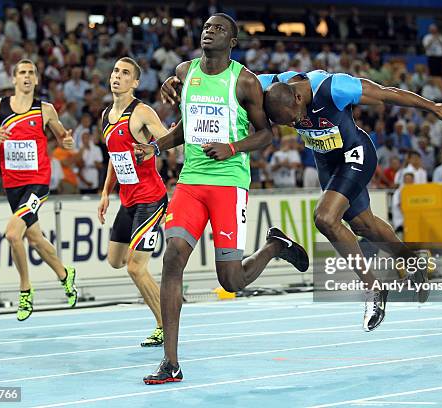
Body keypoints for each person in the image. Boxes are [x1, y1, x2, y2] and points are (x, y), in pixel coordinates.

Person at [134, 14, 309, 384]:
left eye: (219, 29)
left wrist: (231, 147)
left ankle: (273, 247)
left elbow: (266, 136)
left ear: (232, 42)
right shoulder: (185, 71)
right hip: (191, 181)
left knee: (230, 280)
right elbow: (186, 127)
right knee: (173, 257)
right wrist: (155, 146)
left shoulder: (244, 82)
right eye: (207, 26)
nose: (209, 31)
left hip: (229, 183)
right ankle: (171, 362)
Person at [258, 70, 442, 331]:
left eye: (295, 117)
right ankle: (414, 262)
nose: (296, 123)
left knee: (325, 218)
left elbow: (386, 94)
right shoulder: (265, 85)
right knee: (364, 226)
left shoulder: (334, 87)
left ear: (298, 96)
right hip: (327, 163)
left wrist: (432, 107)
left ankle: (373, 289)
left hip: (355, 154)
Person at [0, 59, 77, 321]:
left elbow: (63, 136)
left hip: (38, 181)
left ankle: (25, 290)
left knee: (13, 234)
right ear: (13, 79)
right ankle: (65, 274)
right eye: (22, 73)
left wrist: (68, 140)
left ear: (36, 80)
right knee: (35, 238)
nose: (27, 77)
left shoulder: (45, 110)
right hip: (12, 184)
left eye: (31, 73)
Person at [97, 57, 171, 347]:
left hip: (151, 199)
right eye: (115, 70)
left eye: (125, 73)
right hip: (127, 200)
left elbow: (169, 139)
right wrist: (105, 192)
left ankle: (166, 324)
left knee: (135, 267)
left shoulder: (141, 112)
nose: (117, 76)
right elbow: (116, 159)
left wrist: (153, 149)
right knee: (115, 261)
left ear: (135, 82)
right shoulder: (106, 116)